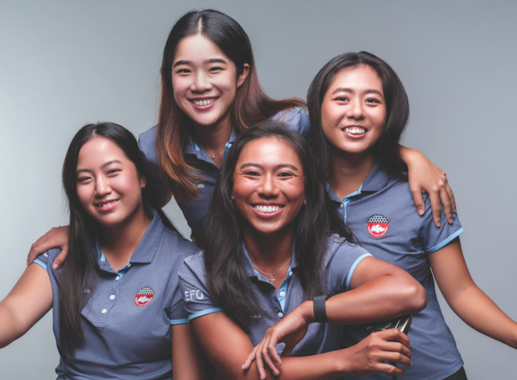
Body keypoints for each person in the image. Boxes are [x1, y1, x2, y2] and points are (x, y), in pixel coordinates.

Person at [26, 9, 455, 268]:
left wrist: (409, 155)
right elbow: (131, 208)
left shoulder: (292, 126)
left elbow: (350, 145)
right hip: (222, 289)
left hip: (302, 282)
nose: (199, 84)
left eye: (215, 68)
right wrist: (82, 229)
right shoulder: (156, 150)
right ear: (167, 78)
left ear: (241, 73)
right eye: (183, 71)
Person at [245, 52, 517, 380]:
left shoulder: (419, 190)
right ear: (318, 109)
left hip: (431, 371)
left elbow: (461, 292)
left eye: (372, 100)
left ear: (389, 113)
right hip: (342, 370)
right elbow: (241, 154)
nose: (356, 111)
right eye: (342, 98)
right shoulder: (293, 193)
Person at [0, 123, 205, 379]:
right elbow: (12, 313)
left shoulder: (184, 264)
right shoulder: (61, 253)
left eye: (113, 171)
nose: (101, 189)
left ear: (142, 176)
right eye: (85, 179)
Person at [179, 122, 428, 379]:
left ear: (307, 191)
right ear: (230, 187)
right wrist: (348, 359)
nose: (268, 189)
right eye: (252, 173)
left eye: (285, 175)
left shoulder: (327, 252)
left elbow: (410, 293)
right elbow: (250, 373)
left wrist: (308, 312)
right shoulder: (199, 271)